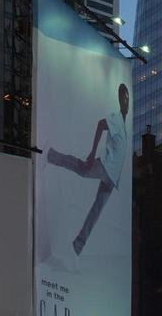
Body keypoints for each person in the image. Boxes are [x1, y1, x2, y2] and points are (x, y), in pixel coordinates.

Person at [42, 83, 129, 263]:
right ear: (119, 100)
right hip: (105, 167)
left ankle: (77, 246)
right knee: (81, 168)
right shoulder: (116, 118)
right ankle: (52, 155)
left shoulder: (125, 124)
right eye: (123, 98)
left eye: (127, 98)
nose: (126, 101)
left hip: (112, 178)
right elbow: (100, 125)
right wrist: (92, 152)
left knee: (96, 210)